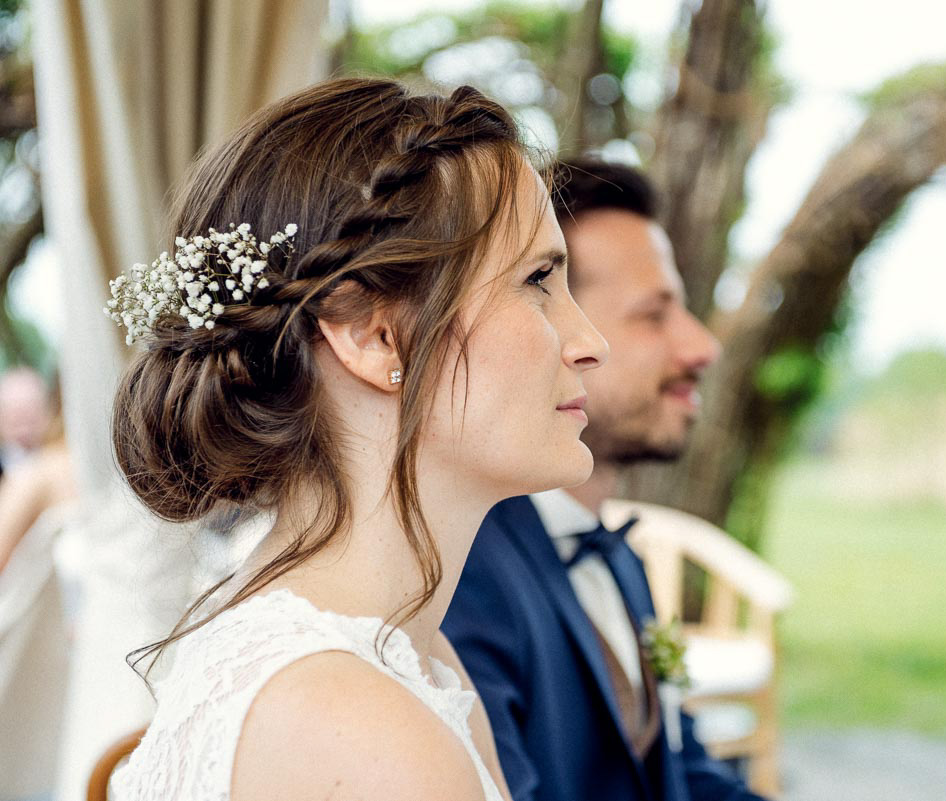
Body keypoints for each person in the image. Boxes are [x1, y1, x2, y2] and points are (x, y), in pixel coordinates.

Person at [106, 78, 608, 801]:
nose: (590, 343)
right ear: (374, 336)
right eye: (536, 280)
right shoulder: (358, 727)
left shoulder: (413, 661)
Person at [442, 160, 768, 801]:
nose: (701, 346)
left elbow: (683, 774)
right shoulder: (461, 573)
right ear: (555, 328)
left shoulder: (618, 555)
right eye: (654, 314)